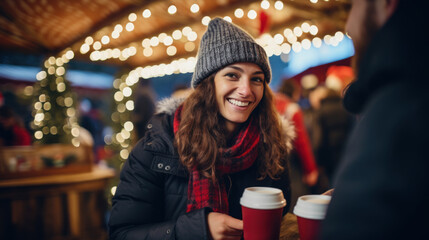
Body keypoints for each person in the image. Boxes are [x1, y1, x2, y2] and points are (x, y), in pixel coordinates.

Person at [109, 18, 294, 240]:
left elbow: (281, 218)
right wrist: (198, 228)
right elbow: (121, 233)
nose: (246, 90)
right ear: (209, 83)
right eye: (232, 75)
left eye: (256, 79)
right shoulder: (157, 147)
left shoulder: (272, 145)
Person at [321, 1, 429, 239]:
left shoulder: (399, 106)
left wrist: (351, 202)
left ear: (386, 4)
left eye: (355, 4)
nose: (349, 23)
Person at [275, 79, 319, 210]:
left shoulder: (269, 104)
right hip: (290, 162)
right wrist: (310, 170)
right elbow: (301, 141)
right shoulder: (292, 108)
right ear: (294, 93)